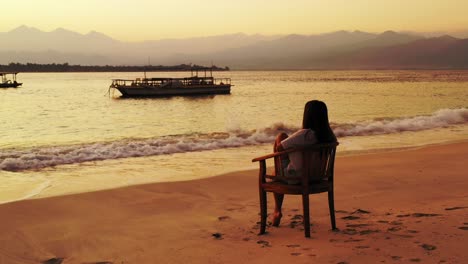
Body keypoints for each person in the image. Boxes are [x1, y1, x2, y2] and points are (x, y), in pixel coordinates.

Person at [271, 100, 337, 226]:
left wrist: (291, 148)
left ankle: (277, 210)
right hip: (319, 177)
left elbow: (279, 148)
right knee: (285, 143)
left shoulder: (305, 134)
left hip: (298, 178)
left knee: (281, 137)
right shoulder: (330, 136)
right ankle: (277, 208)